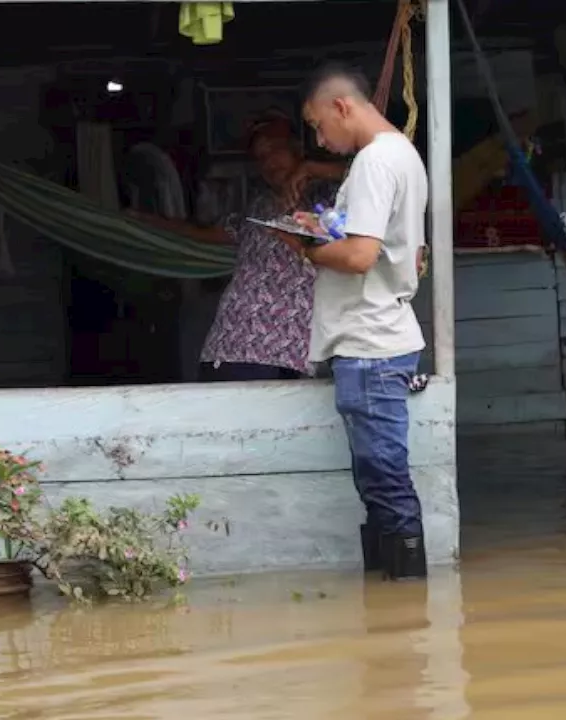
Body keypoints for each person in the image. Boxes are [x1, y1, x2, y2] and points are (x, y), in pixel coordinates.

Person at [285, 64, 430, 581]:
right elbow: (382, 243)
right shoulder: (402, 155)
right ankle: (394, 613)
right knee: (377, 478)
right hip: (378, 337)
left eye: (318, 125)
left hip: (370, 342)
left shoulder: (372, 162)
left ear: (341, 106)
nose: (320, 139)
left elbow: (361, 256)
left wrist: (306, 249)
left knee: (384, 480)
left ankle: (408, 600)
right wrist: (322, 227)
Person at [131, 111, 345, 381]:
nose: (269, 162)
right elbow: (203, 233)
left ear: (297, 148)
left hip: (293, 350)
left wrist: (312, 168)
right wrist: (144, 221)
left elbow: (374, 172)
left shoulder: (332, 196)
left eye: (275, 150)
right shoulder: (258, 205)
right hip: (237, 343)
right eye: (261, 157)